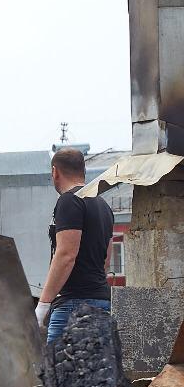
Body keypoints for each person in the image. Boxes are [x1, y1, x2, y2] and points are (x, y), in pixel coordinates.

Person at [36, 147, 114, 343]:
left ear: (55, 171)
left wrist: (43, 304)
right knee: (93, 371)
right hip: (101, 302)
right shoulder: (103, 205)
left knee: (60, 371)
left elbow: (66, 254)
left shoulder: (69, 201)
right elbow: (106, 258)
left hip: (73, 305)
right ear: (83, 171)